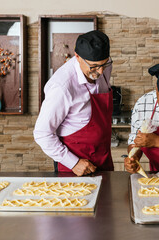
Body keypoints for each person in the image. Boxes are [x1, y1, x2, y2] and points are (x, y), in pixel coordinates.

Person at [34, 30, 114, 175]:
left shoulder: (103, 67)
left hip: (103, 157)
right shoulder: (62, 86)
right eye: (94, 66)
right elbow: (42, 133)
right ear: (77, 57)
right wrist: (73, 162)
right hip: (75, 165)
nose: (101, 72)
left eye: (105, 64)